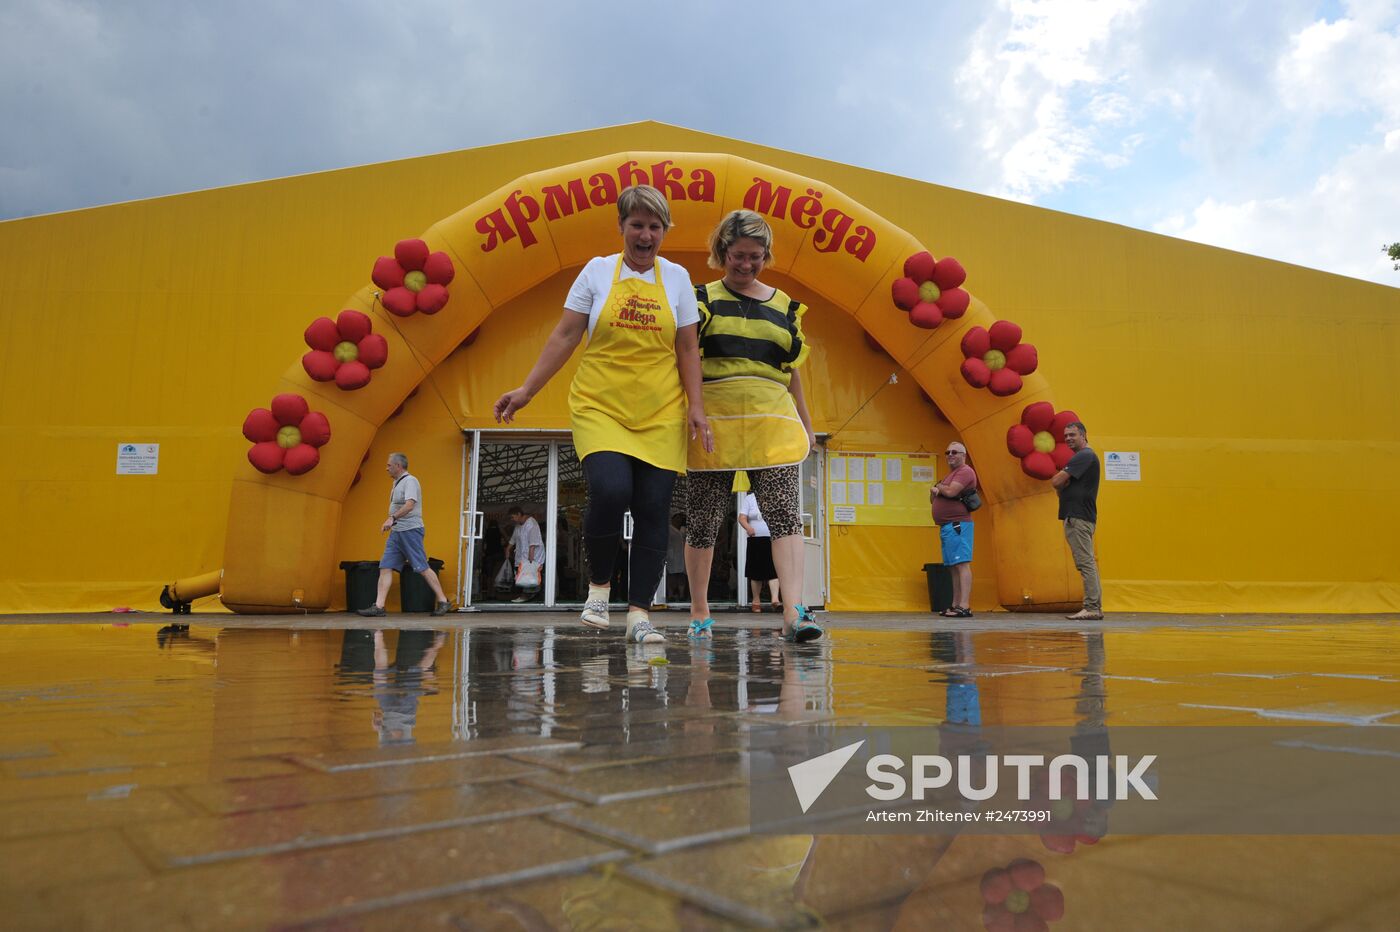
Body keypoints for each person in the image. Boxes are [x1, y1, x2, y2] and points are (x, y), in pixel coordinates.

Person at [493, 184, 709, 644]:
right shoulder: (596, 271)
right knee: (611, 490)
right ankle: (599, 589)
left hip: (661, 409)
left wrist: (696, 407)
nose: (645, 235)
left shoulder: (677, 278)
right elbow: (566, 335)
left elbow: (688, 346)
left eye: (655, 227)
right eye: (637, 225)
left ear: (664, 231)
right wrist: (528, 389)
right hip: (600, 404)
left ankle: (639, 616)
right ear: (621, 227)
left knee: (653, 508)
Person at [683, 209, 822, 642]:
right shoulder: (701, 298)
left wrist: (806, 421)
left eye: (755, 257)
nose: (746, 265)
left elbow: (792, 370)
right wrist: (693, 407)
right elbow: (684, 357)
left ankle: (794, 613)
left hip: (771, 421)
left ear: (766, 255)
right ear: (722, 251)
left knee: (784, 518)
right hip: (714, 421)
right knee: (702, 521)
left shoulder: (785, 307)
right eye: (738, 256)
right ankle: (700, 611)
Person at [358, 452, 450, 617]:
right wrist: (393, 523)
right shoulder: (397, 482)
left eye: (388, 465)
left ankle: (443, 601)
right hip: (397, 532)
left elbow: (409, 505)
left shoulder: (410, 481)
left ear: (398, 466)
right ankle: (379, 606)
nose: (386, 468)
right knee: (385, 567)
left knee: (422, 567)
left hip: (410, 531)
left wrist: (391, 518)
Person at [1052, 420, 1103, 620]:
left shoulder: (1084, 456)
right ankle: (1094, 606)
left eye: (1072, 435)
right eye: (1066, 436)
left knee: (1085, 563)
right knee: (1086, 562)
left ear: (1083, 435)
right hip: (1079, 516)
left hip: (1079, 517)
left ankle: (1091, 607)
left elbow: (1056, 481)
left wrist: (1061, 482)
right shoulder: (1082, 458)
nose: (1068, 439)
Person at [930, 441, 977, 617]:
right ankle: (955, 604)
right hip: (947, 526)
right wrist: (936, 491)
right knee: (952, 566)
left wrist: (939, 487)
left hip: (958, 524)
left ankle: (964, 606)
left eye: (955, 452)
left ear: (963, 456)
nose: (950, 455)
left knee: (962, 564)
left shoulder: (965, 471)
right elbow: (936, 498)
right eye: (947, 452)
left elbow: (950, 492)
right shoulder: (950, 475)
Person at [738, 491, 781, 613]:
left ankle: (775, 600)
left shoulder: (773, 495)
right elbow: (741, 518)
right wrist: (748, 528)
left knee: (773, 569)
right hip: (755, 538)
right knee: (755, 571)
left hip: (773, 538)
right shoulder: (749, 498)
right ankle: (756, 601)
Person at [505, 505, 544, 602]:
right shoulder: (518, 526)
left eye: (513, 517)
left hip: (533, 556)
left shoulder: (531, 523)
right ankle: (526, 595)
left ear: (519, 514)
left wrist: (530, 561)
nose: (512, 519)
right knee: (524, 577)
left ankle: (527, 596)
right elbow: (513, 539)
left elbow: (533, 544)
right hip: (522, 557)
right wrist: (508, 549)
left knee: (530, 577)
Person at [666, 512, 689, 602]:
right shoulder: (669, 529)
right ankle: (670, 595)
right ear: (672, 519)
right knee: (671, 575)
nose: (679, 520)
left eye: (680, 518)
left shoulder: (684, 529)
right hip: (672, 554)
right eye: (677, 518)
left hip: (683, 555)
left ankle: (682, 594)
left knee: (682, 575)